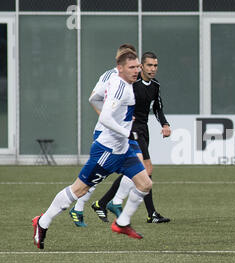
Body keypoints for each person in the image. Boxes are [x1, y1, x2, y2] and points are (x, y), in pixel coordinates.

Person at [33, 49, 151, 249]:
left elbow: (94, 99)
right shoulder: (121, 88)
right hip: (107, 151)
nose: (136, 71)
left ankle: (122, 223)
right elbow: (105, 118)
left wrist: (124, 129)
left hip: (123, 150)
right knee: (79, 189)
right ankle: (42, 222)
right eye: (131, 67)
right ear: (120, 68)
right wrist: (125, 131)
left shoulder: (118, 81)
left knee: (145, 183)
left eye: (137, 66)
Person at [91, 51, 172, 224]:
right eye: (149, 65)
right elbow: (113, 104)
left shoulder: (155, 85)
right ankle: (149, 213)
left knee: (137, 171)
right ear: (142, 66)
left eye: (155, 65)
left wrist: (165, 124)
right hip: (131, 130)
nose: (153, 69)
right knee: (146, 169)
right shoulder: (132, 85)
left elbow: (157, 108)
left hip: (144, 129)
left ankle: (102, 202)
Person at [68, 44, 138, 227]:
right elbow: (93, 97)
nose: (135, 67)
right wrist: (105, 117)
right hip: (110, 132)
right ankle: (82, 206)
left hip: (121, 133)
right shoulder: (110, 75)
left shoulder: (130, 77)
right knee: (98, 174)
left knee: (140, 168)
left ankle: (111, 202)